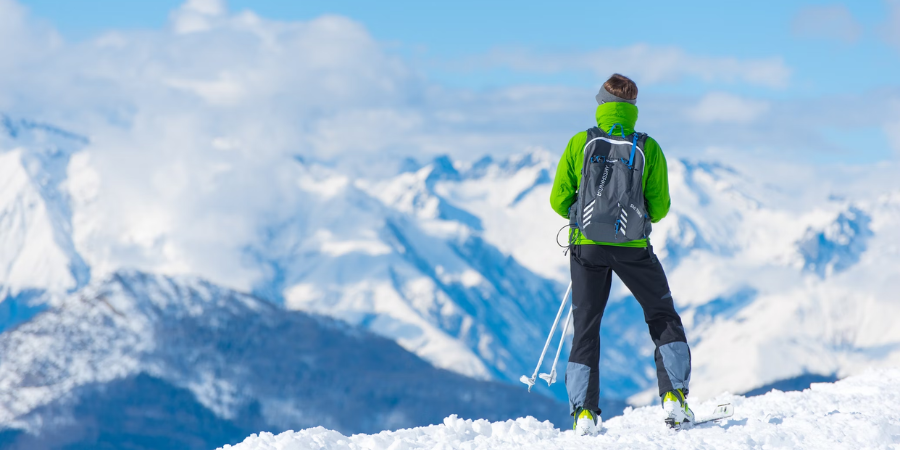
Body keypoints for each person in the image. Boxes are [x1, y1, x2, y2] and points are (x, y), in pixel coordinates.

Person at [549, 73, 693, 436]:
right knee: (661, 315)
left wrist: (582, 216)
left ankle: (584, 413)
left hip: (587, 246)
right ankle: (674, 396)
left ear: (601, 104)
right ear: (633, 108)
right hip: (632, 248)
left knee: (586, 325)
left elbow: (557, 200)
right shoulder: (648, 147)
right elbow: (659, 208)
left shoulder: (580, 143)